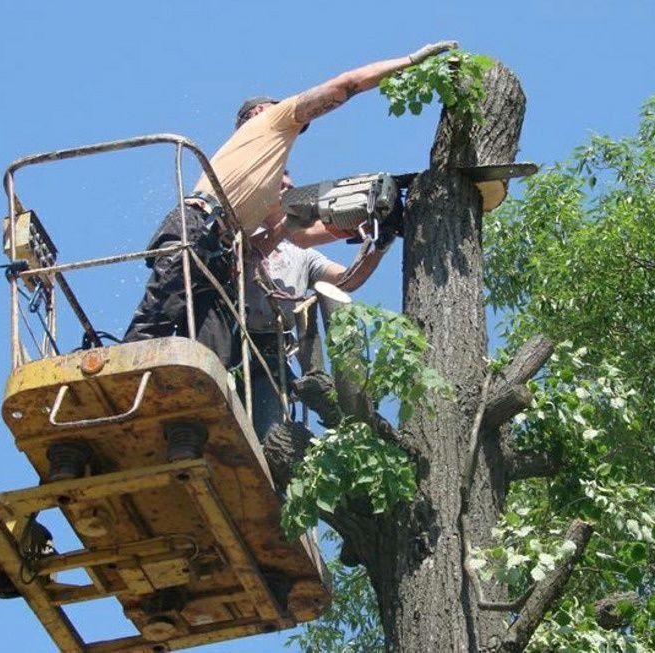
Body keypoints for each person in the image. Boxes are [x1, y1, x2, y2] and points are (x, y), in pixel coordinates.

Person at [122, 41, 456, 360]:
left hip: (218, 253)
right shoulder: (270, 121)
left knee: (213, 347)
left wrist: (371, 225)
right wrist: (413, 61)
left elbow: (300, 234)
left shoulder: (266, 183)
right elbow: (346, 85)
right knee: (158, 317)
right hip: (198, 227)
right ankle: (120, 377)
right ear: (260, 110)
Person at [243, 172, 391, 440]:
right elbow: (246, 256)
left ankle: (325, 389)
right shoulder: (242, 229)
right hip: (236, 344)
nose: (287, 189)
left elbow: (347, 279)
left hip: (272, 355)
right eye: (281, 185)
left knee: (270, 436)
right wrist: (287, 227)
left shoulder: (302, 253)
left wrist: (379, 245)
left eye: (291, 187)